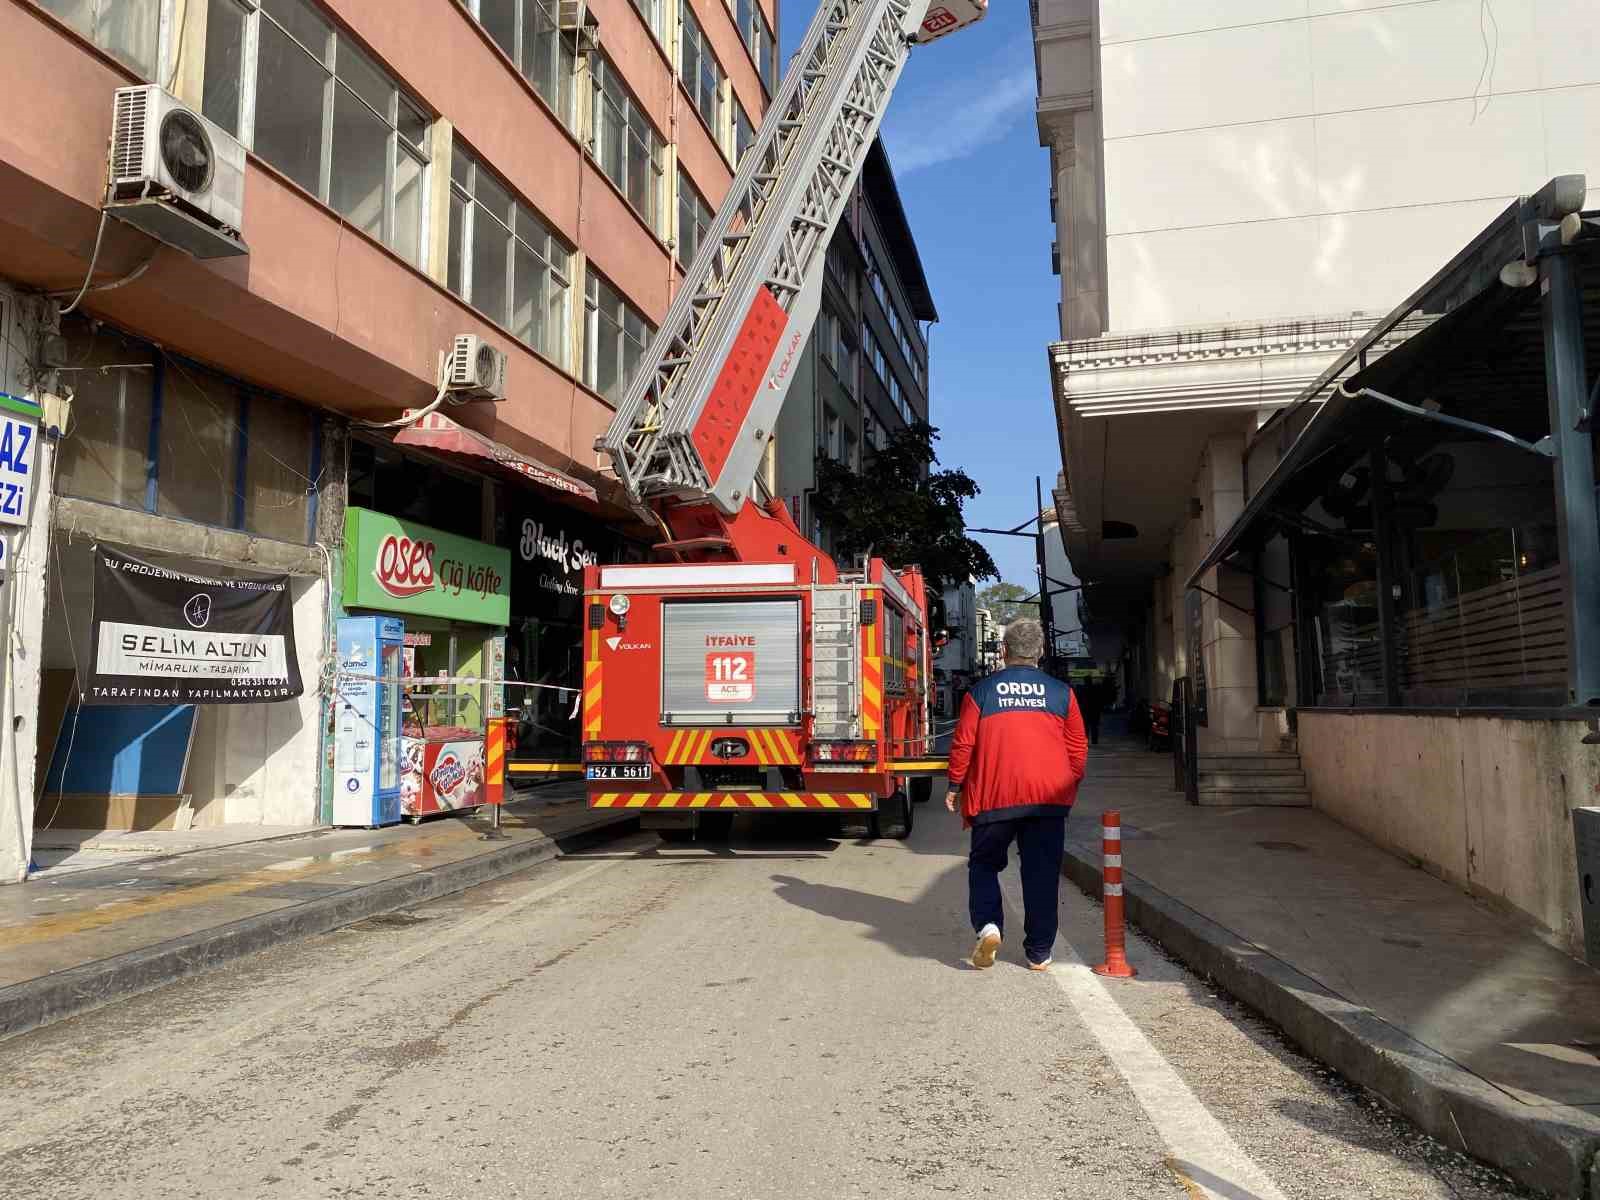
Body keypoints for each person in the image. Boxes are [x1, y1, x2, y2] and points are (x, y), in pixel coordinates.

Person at [946, 619, 1088, 971]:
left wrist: (954, 785)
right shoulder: (1061, 693)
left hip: (995, 798)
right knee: (1041, 873)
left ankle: (989, 926)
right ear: (1040, 652)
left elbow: (964, 743)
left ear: (1004, 651)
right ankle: (1038, 952)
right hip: (1047, 800)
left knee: (983, 864)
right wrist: (1067, 783)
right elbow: (1078, 748)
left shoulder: (981, 692)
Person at [1076, 676, 1105, 746]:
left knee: (1086, 726)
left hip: (1085, 710)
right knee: (1094, 726)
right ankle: (1094, 740)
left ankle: (1086, 740)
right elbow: (1099, 699)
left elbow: (1079, 699)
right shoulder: (1095, 689)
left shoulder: (1082, 689)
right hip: (1094, 710)